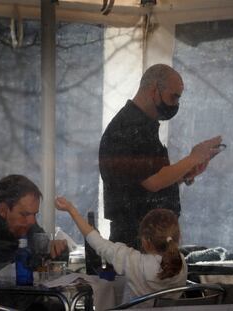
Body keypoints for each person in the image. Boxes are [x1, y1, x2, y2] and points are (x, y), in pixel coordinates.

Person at [99, 63, 222, 248]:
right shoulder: (129, 127)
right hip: (136, 240)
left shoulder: (143, 126)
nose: (176, 104)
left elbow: (150, 180)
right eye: (174, 97)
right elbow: (153, 181)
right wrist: (192, 158)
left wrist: (186, 173)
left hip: (149, 237)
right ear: (154, 90)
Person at [55, 196, 187, 306]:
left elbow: (98, 243)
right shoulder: (181, 264)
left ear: (145, 241)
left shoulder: (134, 262)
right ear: (177, 238)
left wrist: (71, 210)